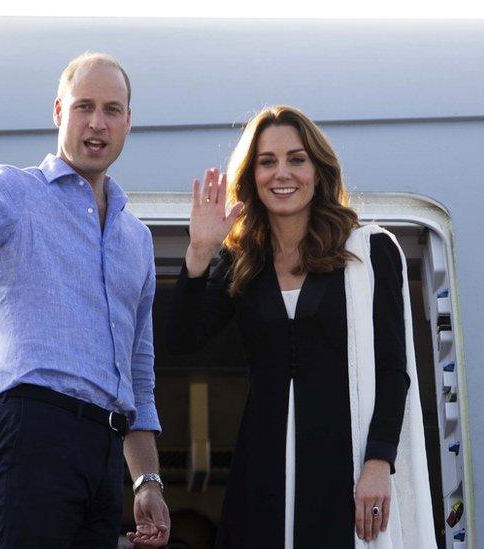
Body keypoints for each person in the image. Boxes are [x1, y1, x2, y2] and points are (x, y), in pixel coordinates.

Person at [0, 28, 170, 548]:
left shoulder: (135, 238)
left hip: (104, 448)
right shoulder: (19, 192)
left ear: (129, 122)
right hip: (34, 428)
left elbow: (139, 374)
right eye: (84, 106)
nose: (97, 123)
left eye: (112, 109)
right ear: (58, 112)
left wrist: (147, 480)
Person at [167, 105, 434, 547]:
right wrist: (199, 252)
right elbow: (182, 340)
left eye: (296, 158)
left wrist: (377, 463)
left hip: (343, 465)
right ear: (251, 176)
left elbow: (394, 370)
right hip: (261, 469)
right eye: (267, 162)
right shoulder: (242, 262)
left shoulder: (370, 252)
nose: (282, 173)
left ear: (318, 169)